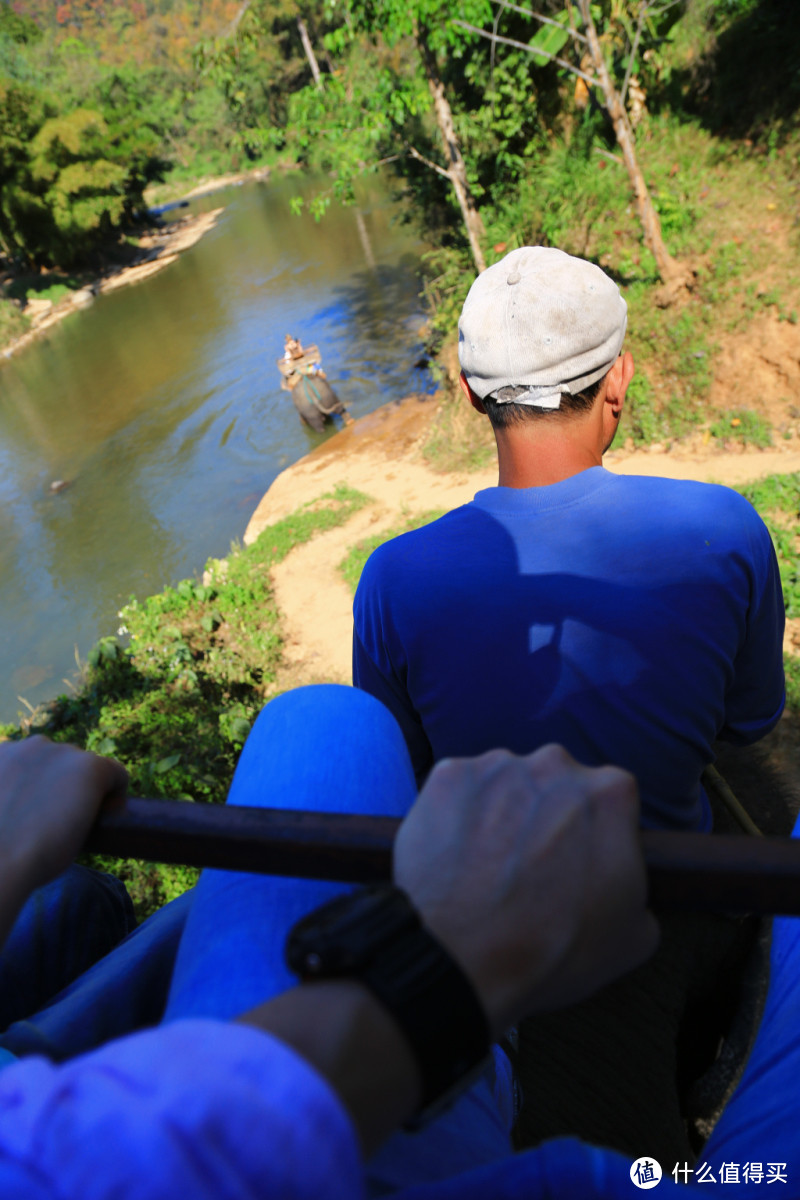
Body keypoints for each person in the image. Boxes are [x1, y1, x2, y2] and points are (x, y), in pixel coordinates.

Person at [0, 687, 797, 1198]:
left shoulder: (393, 576)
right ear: (613, 407)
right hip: (196, 1154)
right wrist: (442, 966)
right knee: (322, 722)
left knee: (325, 719)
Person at [352, 245, 785, 833]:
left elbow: (403, 769)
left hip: (491, 909)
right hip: (677, 895)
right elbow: (749, 721)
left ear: (471, 393)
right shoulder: (724, 527)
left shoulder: (392, 579)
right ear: (618, 379)